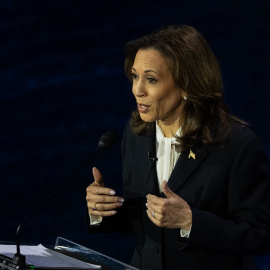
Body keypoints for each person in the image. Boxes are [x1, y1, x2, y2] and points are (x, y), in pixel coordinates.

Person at [85, 25, 270, 270]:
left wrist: (191, 221)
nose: (137, 90)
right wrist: (103, 209)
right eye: (134, 76)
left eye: (151, 79)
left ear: (186, 85)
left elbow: (260, 234)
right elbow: (147, 217)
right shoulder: (137, 133)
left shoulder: (236, 144)